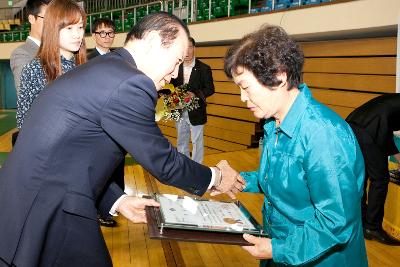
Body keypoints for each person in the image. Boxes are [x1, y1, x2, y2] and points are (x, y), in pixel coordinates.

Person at [0, 12, 244, 267]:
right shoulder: (131, 82)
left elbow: (73, 156)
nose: (173, 74)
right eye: (176, 61)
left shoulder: (106, 67)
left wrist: (119, 200)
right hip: (42, 212)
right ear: (152, 41)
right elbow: (163, 161)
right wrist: (215, 176)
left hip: (36, 202)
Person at [223, 25, 368, 266]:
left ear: (279, 76)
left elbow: (336, 220)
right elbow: (288, 182)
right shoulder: (276, 123)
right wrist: (241, 180)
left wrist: (278, 249)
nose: (242, 98)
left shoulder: (322, 134)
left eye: (246, 87)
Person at [16, 0, 86, 129]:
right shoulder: (35, 68)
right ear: (52, 29)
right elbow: (24, 120)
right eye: (69, 28)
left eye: (80, 27)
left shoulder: (84, 66)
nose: (77, 35)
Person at [346, 94, 400, 245]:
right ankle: (372, 227)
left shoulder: (395, 102)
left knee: (362, 176)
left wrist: (398, 157)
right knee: (380, 179)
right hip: (368, 129)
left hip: (352, 125)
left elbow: (386, 126)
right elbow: (382, 128)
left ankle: (363, 222)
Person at [87, 17, 121, 227]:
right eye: (102, 33)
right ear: (94, 36)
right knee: (98, 166)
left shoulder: (119, 58)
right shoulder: (87, 60)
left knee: (115, 164)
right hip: (96, 122)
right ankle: (99, 210)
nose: (107, 37)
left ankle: (114, 203)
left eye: (110, 32)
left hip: (117, 120)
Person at [9, 0, 51, 145]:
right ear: (31, 18)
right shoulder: (22, 54)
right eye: (47, 18)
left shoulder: (59, 51)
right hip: (38, 134)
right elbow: (27, 96)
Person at [171, 37, 214, 164]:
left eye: (190, 47)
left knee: (197, 142)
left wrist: (195, 94)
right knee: (181, 141)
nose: (187, 51)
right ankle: (184, 167)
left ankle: (197, 168)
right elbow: (169, 87)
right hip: (178, 109)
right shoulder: (175, 67)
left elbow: (210, 89)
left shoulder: (204, 68)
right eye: (185, 48)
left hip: (196, 111)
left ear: (194, 48)